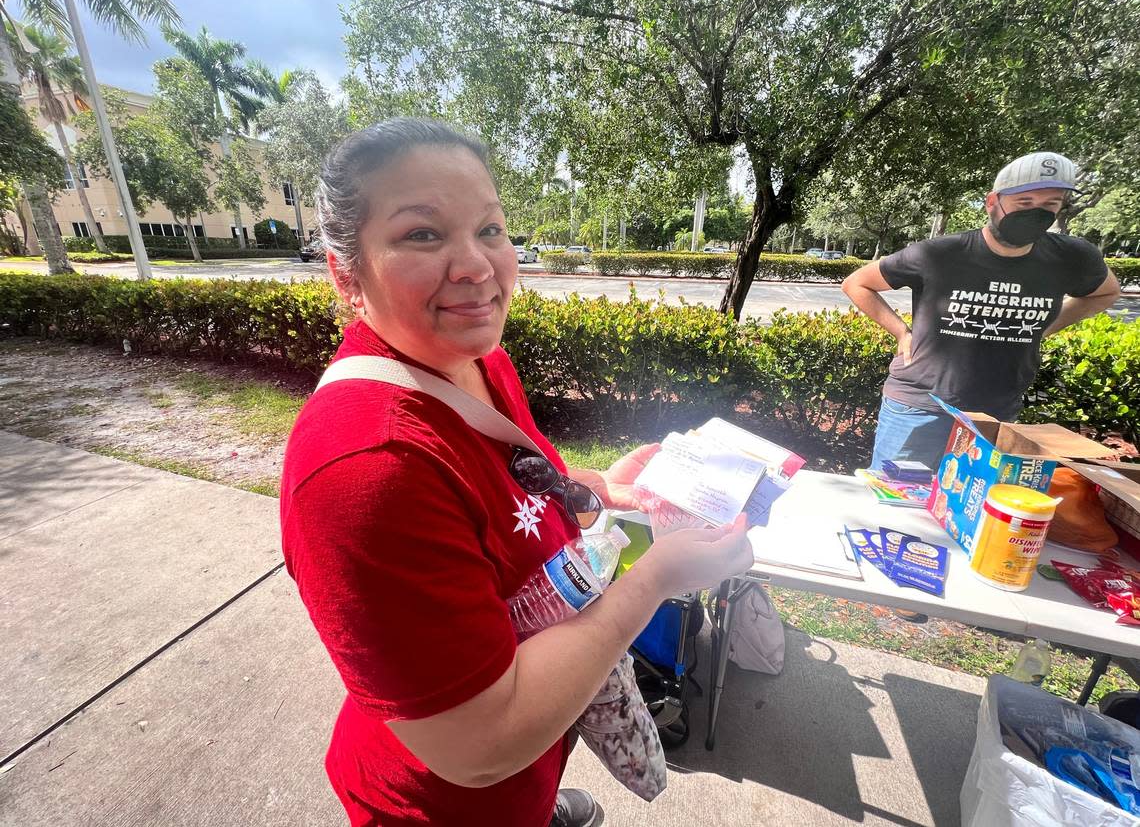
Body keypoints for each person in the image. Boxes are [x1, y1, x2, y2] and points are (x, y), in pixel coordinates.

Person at [279, 118, 753, 827]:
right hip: (445, 804)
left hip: (522, 771)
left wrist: (591, 487)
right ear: (347, 273)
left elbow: (503, 490)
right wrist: (656, 579)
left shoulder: (474, 360)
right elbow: (481, 743)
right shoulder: (365, 468)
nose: (475, 265)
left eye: (491, 229)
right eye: (422, 234)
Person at [842, 151, 1121, 471]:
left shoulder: (1071, 257)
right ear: (992, 202)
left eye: (1050, 205)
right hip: (920, 406)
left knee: (969, 509)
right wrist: (900, 331)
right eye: (1025, 202)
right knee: (897, 507)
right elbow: (858, 283)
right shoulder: (942, 253)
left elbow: (1106, 292)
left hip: (996, 412)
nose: (1036, 213)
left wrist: (1045, 327)